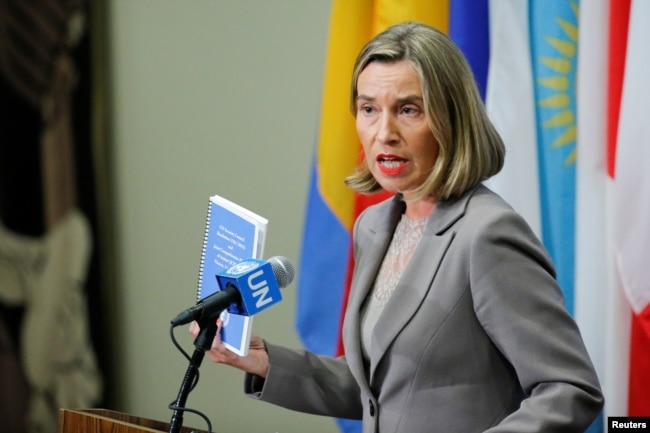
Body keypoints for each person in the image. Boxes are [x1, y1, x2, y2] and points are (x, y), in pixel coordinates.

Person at [190, 22, 604, 433]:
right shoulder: (374, 226)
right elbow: (381, 390)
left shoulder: (487, 235)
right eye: (369, 109)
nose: (384, 133)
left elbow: (569, 389)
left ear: (450, 119)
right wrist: (264, 359)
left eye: (408, 110)